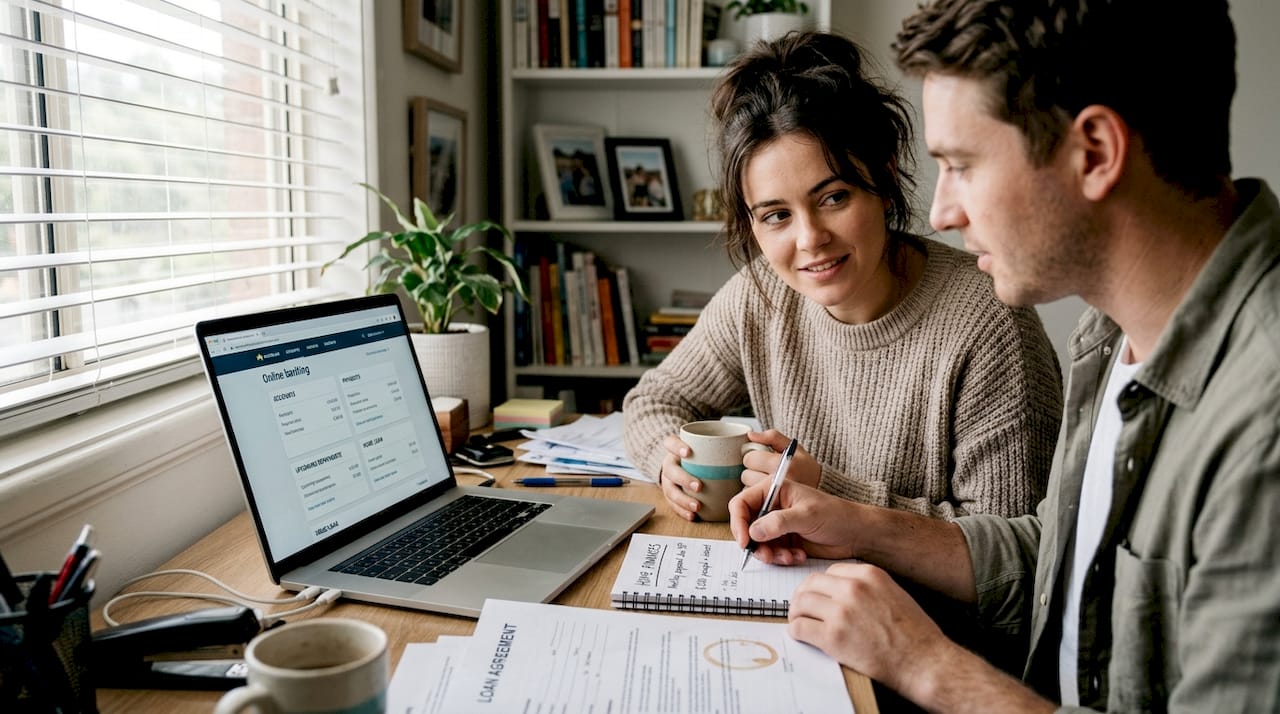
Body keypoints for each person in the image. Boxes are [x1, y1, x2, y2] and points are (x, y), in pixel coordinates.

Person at [729, 2, 1280, 711]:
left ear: (1095, 153)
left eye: (960, 165)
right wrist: (860, 524)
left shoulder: (1261, 424)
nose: (940, 212)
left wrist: (922, 663)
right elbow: (1056, 563)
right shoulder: (1113, 336)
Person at [622, 31, 1064, 523]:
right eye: (776, 215)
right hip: (787, 583)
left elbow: (1013, 555)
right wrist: (669, 463)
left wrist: (828, 494)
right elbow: (655, 399)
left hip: (914, 602)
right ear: (752, 225)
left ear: (885, 180)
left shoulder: (990, 323)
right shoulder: (760, 295)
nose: (810, 239)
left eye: (833, 198)